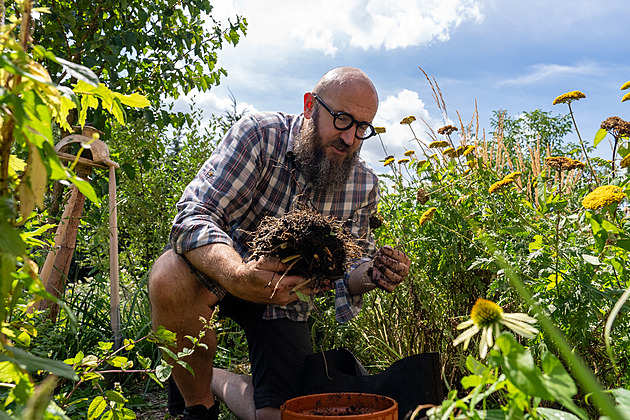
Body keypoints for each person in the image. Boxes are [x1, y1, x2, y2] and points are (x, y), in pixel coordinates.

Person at [148, 67, 411, 420]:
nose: (350, 139)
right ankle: (199, 406)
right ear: (309, 106)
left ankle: (216, 380)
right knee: (169, 274)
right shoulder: (259, 136)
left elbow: (351, 267)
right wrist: (239, 274)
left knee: (284, 416)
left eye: (362, 128)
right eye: (343, 120)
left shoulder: (362, 185)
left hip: (284, 299)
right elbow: (194, 214)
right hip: (221, 271)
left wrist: (373, 274)